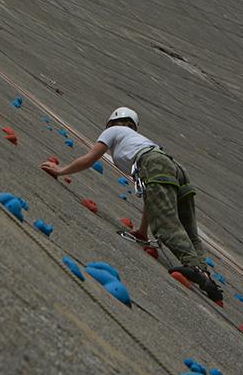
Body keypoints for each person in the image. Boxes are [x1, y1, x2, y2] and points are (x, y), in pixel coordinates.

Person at [40, 106, 223, 303]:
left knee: (166, 225)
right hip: (176, 169)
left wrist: (61, 171)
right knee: (189, 229)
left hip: (154, 164)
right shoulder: (138, 139)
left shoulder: (113, 131)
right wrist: (143, 232)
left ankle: (194, 268)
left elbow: (89, 159)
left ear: (111, 122)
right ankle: (207, 278)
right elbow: (150, 196)